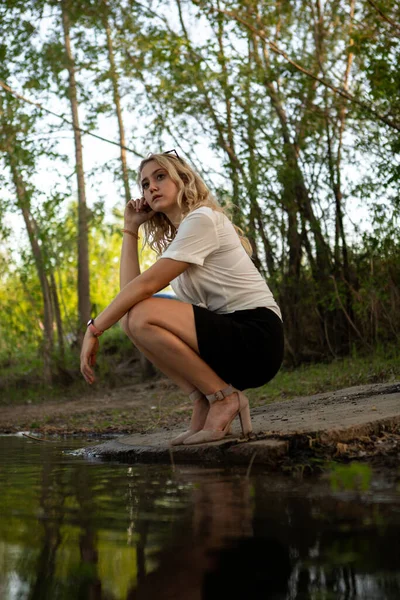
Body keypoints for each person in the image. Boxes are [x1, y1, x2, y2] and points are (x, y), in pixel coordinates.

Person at [80, 150, 284, 445]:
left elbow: (144, 286)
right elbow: (130, 294)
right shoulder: (179, 240)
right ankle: (204, 399)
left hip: (257, 337)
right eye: (144, 184)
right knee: (132, 318)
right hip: (228, 341)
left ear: (183, 179)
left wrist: (94, 328)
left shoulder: (202, 220)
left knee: (141, 314)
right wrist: (131, 227)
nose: (151, 187)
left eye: (160, 177)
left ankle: (223, 399)